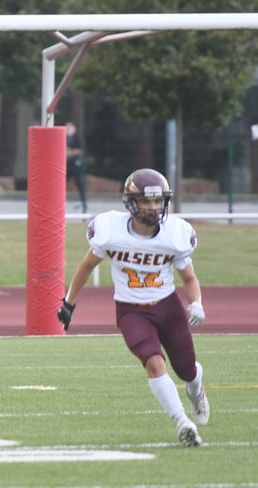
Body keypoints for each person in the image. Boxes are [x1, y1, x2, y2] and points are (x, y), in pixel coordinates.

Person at [56, 168, 209, 447]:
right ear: (131, 202)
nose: (153, 207)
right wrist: (69, 302)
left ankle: (196, 391)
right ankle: (182, 422)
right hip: (130, 310)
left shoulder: (175, 234)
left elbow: (189, 278)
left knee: (186, 370)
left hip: (168, 306)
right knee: (153, 361)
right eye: (146, 201)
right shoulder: (110, 231)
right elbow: (86, 266)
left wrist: (196, 302)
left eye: (157, 201)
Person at [65, 122, 87, 212]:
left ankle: (83, 203)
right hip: (66, 165)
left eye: (70, 128)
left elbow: (80, 150)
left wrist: (70, 153)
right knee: (61, 183)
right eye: (67, 128)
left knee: (80, 184)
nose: (68, 129)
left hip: (76, 165)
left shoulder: (77, 138)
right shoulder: (64, 138)